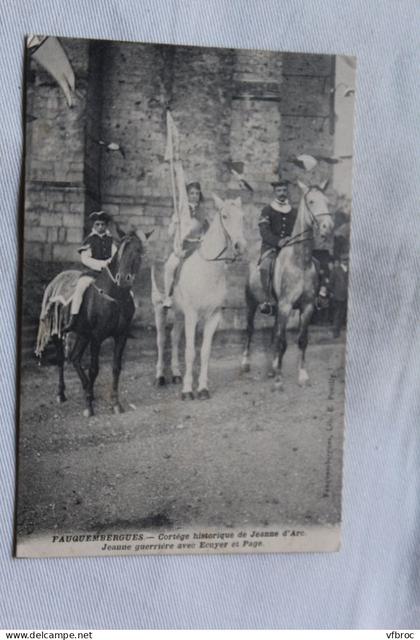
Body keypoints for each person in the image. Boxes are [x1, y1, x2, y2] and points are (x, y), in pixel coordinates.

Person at [64, 210, 118, 332]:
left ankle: (121, 320)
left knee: (123, 289)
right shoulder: (90, 240)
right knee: (81, 287)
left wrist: (111, 261)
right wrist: (102, 264)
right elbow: (85, 259)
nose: (100, 227)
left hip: (108, 274)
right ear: (94, 225)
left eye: (103, 224)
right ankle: (74, 318)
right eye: (97, 224)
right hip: (92, 272)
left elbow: (115, 255)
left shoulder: (111, 240)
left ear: (106, 226)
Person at [163, 181, 209, 308]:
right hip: (182, 246)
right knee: (170, 266)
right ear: (187, 195)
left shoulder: (202, 212)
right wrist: (174, 222)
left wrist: (204, 238)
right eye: (191, 193)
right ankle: (168, 296)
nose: (194, 196)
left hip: (198, 247)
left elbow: (207, 230)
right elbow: (170, 233)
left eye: (197, 193)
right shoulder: (180, 212)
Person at [258, 179, 297, 315]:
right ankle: (268, 301)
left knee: (312, 263)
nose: (282, 193)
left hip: (291, 247)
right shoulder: (267, 210)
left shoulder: (293, 211)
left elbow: (297, 230)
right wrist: (278, 241)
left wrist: (291, 239)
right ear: (274, 192)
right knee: (266, 266)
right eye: (279, 191)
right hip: (271, 247)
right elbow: (264, 231)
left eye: (284, 190)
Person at [328, 252, 349, 337]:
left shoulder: (350, 269)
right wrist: (332, 293)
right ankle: (335, 333)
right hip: (338, 296)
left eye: (347, 260)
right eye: (344, 260)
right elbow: (330, 284)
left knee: (343, 315)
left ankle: (341, 331)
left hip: (347, 296)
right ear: (341, 261)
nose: (346, 261)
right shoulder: (335, 270)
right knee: (337, 314)